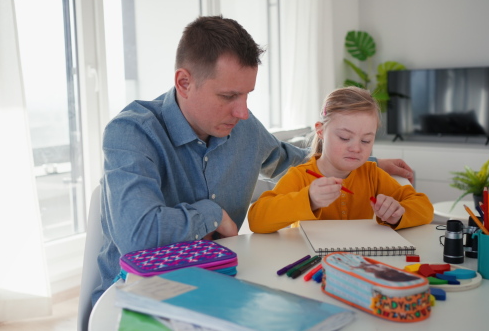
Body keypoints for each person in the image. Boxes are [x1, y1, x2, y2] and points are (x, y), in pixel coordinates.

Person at [93, 16, 414, 304]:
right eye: (229, 96)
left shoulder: (241, 125)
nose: (243, 111)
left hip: (224, 279)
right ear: (184, 83)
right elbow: (137, 237)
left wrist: (366, 161)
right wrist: (211, 213)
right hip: (140, 294)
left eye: (247, 95)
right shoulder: (131, 132)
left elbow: (296, 160)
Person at [248, 86, 433, 233]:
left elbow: (424, 208)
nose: (356, 148)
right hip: (310, 265)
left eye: (366, 140)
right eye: (345, 138)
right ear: (320, 131)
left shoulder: (372, 174)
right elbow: (257, 219)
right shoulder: (300, 176)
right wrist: (309, 199)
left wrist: (398, 213)